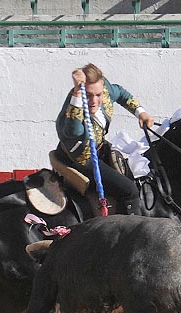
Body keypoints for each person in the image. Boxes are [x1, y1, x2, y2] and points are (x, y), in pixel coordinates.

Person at [55, 63, 154, 215]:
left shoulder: (105, 91)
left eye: (98, 95)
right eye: (88, 95)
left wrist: (141, 112)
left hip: (100, 147)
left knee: (131, 177)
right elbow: (73, 131)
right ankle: (129, 232)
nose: (94, 100)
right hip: (81, 158)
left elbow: (121, 93)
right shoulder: (73, 107)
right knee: (130, 191)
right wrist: (77, 94)